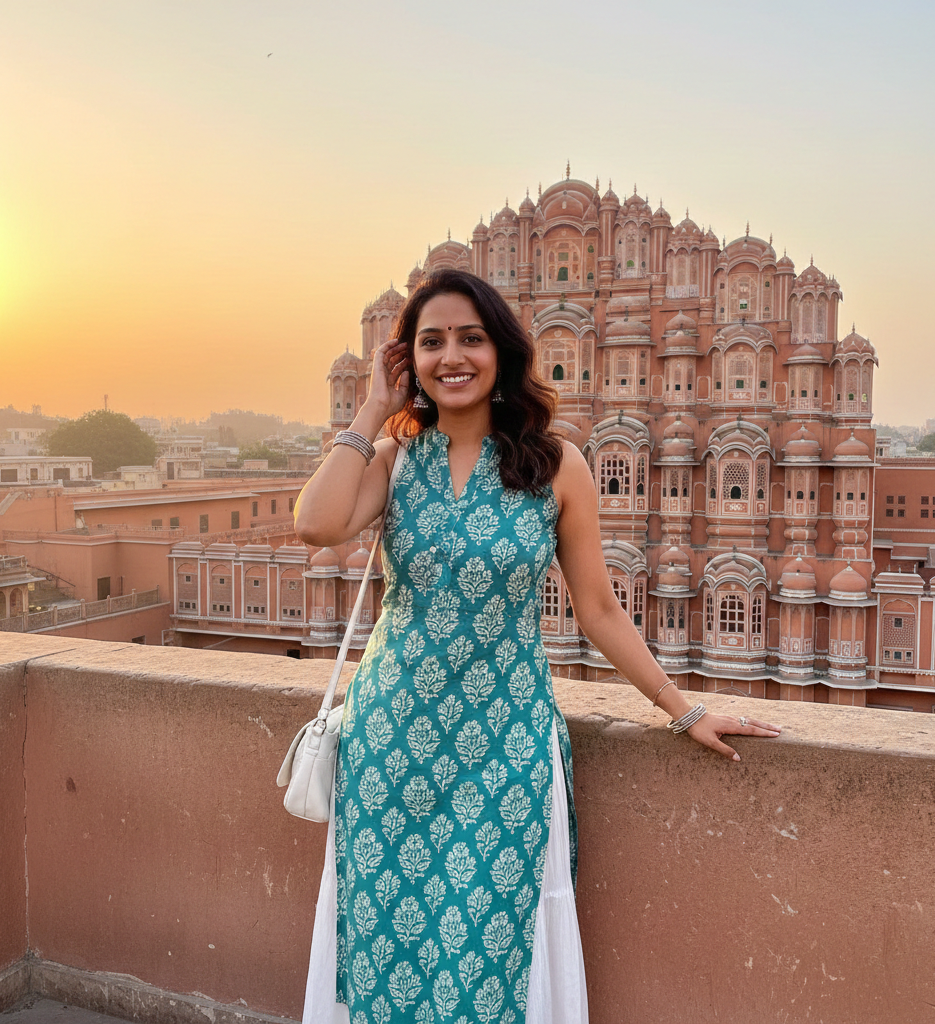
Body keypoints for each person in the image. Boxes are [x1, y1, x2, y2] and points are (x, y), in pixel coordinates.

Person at [294, 269, 781, 1024]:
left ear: (503, 352)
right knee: (385, 947)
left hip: (504, 752)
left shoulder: (556, 467)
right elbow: (317, 524)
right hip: (390, 746)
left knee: (495, 955)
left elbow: (599, 611)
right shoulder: (395, 459)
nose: (451, 357)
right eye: (430, 343)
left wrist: (684, 711)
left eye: (469, 338)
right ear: (407, 360)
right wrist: (371, 407)